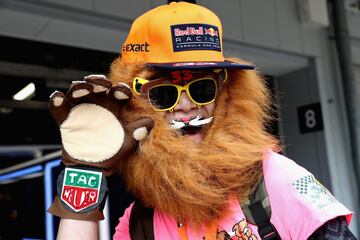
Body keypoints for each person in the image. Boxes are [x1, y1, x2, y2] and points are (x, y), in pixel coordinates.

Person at [49, 2, 356, 239]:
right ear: (136, 106)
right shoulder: (142, 219)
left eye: (202, 89)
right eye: (163, 95)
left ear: (225, 93)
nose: (187, 107)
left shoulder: (273, 180)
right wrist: (84, 173)